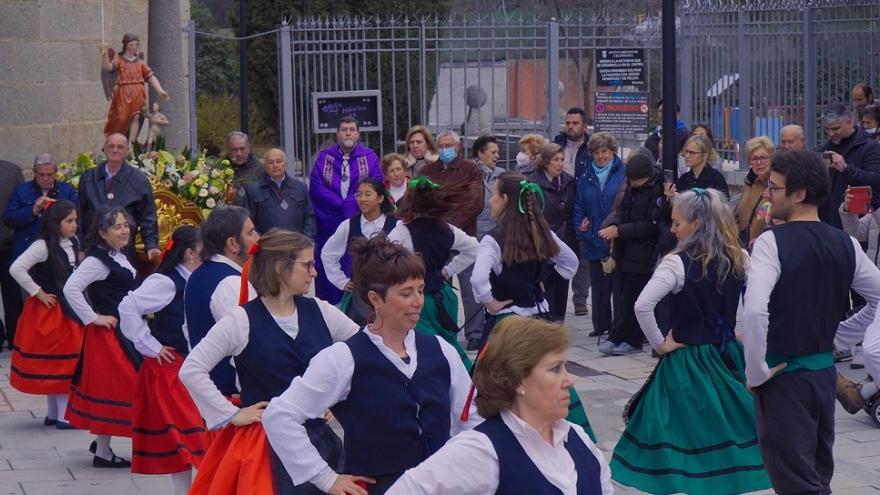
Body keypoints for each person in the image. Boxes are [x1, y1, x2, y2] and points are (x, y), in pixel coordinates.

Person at [262, 235, 481, 494]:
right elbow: (280, 415)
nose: (418, 301)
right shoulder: (344, 358)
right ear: (376, 299)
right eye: (406, 293)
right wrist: (326, 478)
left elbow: (471, 417)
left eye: (420, 290)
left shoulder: (441, 350)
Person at [611, 188, 771, 494]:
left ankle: (688, 479)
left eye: (677, 223)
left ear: (696, 224)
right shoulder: (740, 257)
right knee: (730, 421)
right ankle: (727, 477)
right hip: (727, 356)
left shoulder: (676, 263)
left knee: (679, 427)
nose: (672, 229)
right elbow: (750, 307)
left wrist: (660, 344)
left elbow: (642, 306)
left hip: (687, 360)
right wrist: (740, 335)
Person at [742, 150, 880, 495]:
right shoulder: (845, 242)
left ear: (798, 194)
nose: (767, 195)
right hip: (821, 376)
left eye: (774, 188)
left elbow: (755, 311)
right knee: (816, 477)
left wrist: (756, 371)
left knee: (797, 482)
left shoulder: (772, 242)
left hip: (784, 375)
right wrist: (840, 337)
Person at [181, 229, 358, 494]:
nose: (314, 273)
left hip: (318, 440)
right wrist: (232, 414)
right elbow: (192, 369)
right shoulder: (241, 320)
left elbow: (364, 349)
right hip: (264, 446)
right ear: (280, 268)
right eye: (307, 265)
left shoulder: (321, 311)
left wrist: (336, 397)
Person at [386, 316, 613, 495]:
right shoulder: (482, 449)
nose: (569, 380)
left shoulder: (577, 437)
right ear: (519, 380)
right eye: (555, 369)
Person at [117, 226, 207, 494]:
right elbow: (127, 306)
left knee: (190, 439)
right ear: (190, 253)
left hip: (191, 366)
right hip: (171, 369)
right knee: (191, 438)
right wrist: (151, 346)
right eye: (204, 251)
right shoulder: (166, 282)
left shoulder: (196, 278)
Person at [62, 206, 141, 468]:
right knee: (124, 387)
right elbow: (71, 288)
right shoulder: (97, 260)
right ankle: (106, 450)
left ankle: (104, 447)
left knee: (118, 388)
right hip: (109, 335)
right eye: (117, 227)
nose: (124, 230)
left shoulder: (116, 255)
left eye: (125, 225)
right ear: (102, 232)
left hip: (122, 331)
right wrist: (93, 317)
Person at [8, 200, 83, 429]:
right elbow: (16, 268)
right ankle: (63, 415)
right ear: (55, 222)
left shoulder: (73, 241)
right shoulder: (42, 246)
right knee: (61, 363)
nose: (74, 225)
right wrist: (38, 292)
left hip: (67, 308)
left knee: (65, 361)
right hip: (51, 311)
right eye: (69, 221)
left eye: (75, 220)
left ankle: (54, 413)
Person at [388, 176, 479, 364]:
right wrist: (447, 271)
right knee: (448, 344)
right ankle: (467, 382)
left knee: (422, 347)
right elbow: (474, 248)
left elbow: (385, 260)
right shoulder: (448, 229)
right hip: (444, 295)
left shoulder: (402, 232)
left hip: (416, 297)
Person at [185, 206, 259, 402]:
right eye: (251, 232)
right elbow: (250, 345)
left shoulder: (198, 275)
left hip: (215, 394)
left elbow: (188, 333)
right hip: (235, 400)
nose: (258, 238)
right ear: (233, 243)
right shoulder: (232, 283)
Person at [597, 153, 666, 356]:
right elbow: (623, 210)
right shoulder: (632, 187)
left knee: (632, 298)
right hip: (626, 251)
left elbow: (651, 226)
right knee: (622, 297)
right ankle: (618, 336)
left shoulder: (657, 190)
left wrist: (620, 231)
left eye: (637, 180)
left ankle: (631, 338)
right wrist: (613, 223)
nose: (634, 184)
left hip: (644, 252)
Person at [422, 130, 484, 350]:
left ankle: (475, 332)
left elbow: (475, 203)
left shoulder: (470, 169)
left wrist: (449, 227)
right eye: (441, 146)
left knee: (470, 286)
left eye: (449, 146)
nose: (445, 150)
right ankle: (442, 328)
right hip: (436, 239)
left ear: (458, 147)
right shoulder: (428, 171)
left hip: (463, 236)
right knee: (438, 285)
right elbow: (423, 200)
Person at [310, 116, 383, 303]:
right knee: (328, 260)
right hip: (329, 221)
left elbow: (376, 184)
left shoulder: (369, 157)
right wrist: (340, 204)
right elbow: (316, 187)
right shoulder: (325, 157)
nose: (348, 133)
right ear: (337, 134)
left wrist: (350, 205)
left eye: (352, 129)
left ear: (358, 133)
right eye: (344, 129)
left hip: (358, 220)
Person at [322, 178, 399, 326]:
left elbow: (407, 257)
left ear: (380, 198)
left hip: (389, 292)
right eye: (359, 194)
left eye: (367, 194)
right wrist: (341, 281)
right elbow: (328, 254)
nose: (362, 199)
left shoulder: (396, 225)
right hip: (359, 295)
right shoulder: (349, 225)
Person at [573, 133, 627, 336]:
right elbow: (578, 205)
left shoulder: (623, 173)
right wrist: (581, 227)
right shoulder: (586, 175)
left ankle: (619, 326)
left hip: (616, 238)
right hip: (594, 236)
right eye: (596, 152)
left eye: (604, 151)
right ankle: (600, 325)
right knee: (598, 285)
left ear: (612, 151)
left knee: (618, 286)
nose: (601, 156)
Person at [77, 133, 160, 263]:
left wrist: (151, 245)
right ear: (104, 149)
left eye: (120, 147)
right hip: (93, 249)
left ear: (127, 151)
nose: (115, 150)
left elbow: (148, 217)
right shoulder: (88, 177)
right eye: (111, 146)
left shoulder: (139, 180)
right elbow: (79, 214)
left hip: (124, 250)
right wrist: (80, 248)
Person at [526, 143, 577, 322]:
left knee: (562, 284)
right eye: (556, 160)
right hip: (543, 242)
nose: (560, 164)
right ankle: (544, 322)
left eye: (562, 160)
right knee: (544, 284)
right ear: (546, 162)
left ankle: (558, 322)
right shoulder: (533, 183)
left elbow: (572, 211)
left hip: (564, 240)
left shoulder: (569, 181)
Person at [4, 153, 78, 258]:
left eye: (49, 174)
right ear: (34, 172)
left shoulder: (67, 191)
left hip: (57, 250)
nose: (45, 178)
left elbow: (77, 220)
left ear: (56, 172)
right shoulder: (21, 191)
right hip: (27, 249)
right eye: (41, 174)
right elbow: (8, 219)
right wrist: (33, 210)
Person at [818, 104, 880, 228]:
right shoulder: (826, 147)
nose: (830, 134)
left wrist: (846, 168)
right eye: (827, 129)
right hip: (828, 221)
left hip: (858, 222)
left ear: (849, 122)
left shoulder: (870, 147)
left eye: (835, 128)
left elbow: (876, 180)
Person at [100, 33, 169, 140]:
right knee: (121, 118)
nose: (134, 47)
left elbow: (151, 77)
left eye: (136, 45)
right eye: (131, 45)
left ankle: (131, 145)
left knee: (136, 116)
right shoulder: (120, 60)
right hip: (123, 94)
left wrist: (160, 90)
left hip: (138, 93)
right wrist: (104, 53)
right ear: (126, 45)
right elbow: (107, 67)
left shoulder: (140, 63)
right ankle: (117, 140)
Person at [236, 148, 316, 238]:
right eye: (270, 162)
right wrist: (261, 243)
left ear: (285, 165)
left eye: (279, 161)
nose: (275, 165)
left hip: (296, 246)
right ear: (265, 166)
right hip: (267, 247)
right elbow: (249, 221)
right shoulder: (253, 190)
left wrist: (306, 240)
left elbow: (309, 217)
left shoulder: (300, 188)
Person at [0, 159, 24, 350]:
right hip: (8, 239)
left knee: (13, 295)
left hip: (8, 243)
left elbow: (21, 200)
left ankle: (15, 336)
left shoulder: (11, 170)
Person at [735, 136, 774, 245]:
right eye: (754, 159)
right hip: (743, 246)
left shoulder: (776, 186)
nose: (759, 162)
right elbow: (738, 215)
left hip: (765, 245)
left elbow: (764, 219)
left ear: (772, 159)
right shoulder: (750, 183)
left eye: (764, 157)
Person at [665, 134, 729, 200]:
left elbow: (723, 205)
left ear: (705, 155)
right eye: (686, 151)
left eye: (692, 152)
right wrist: (672, 198)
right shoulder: (683, 179)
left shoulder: (716, 179)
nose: (687, 156)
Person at [553, 107, 592, 178]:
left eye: (575, 123)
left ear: (585, 127)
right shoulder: (555, 145)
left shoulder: (591, 148)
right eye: (568, 123)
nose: (570, 126)